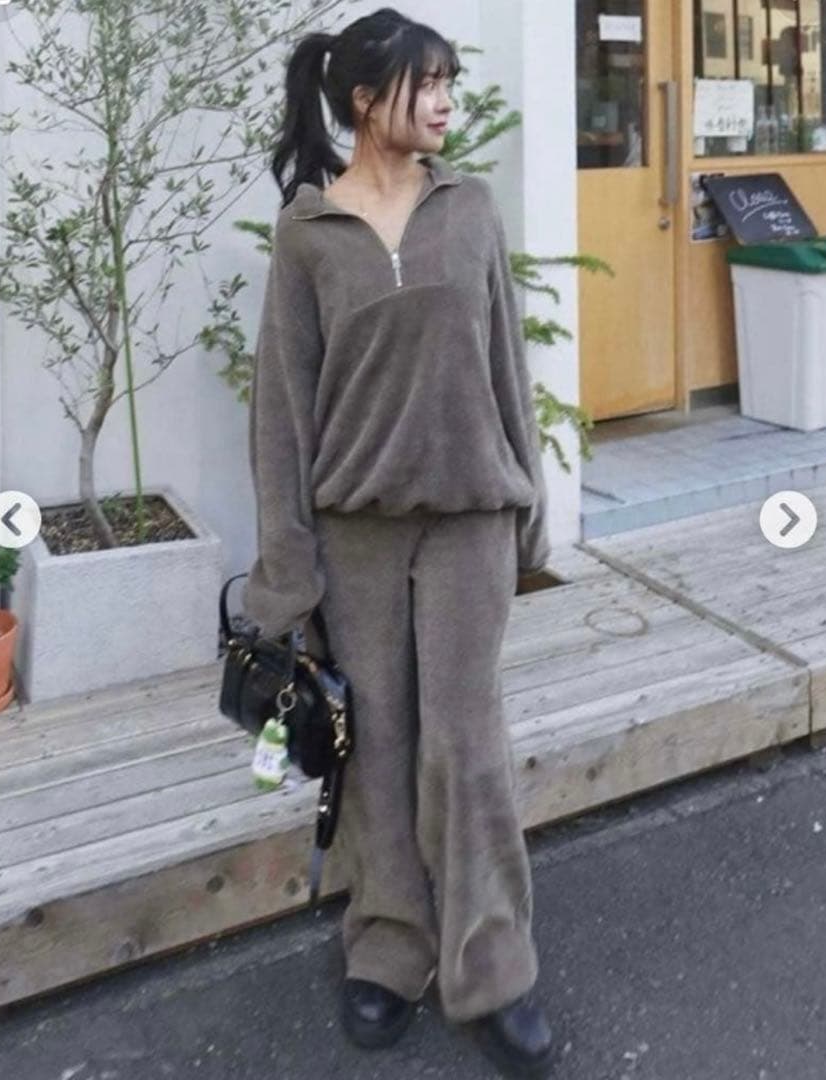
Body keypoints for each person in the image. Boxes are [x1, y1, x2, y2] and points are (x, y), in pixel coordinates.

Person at [242, 7, 555, 1077]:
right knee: (374, 747)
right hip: (356, 538)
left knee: (465, 745)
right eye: (428, 84)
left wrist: (529, 508)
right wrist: (285, 578)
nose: (445, 102)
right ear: (366, 98)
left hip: (468, 522)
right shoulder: (306, 237)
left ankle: (492, 965)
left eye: (450, 82)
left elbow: (506, 364)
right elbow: (282, 419)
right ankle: (387, 946)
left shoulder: (468, 211)